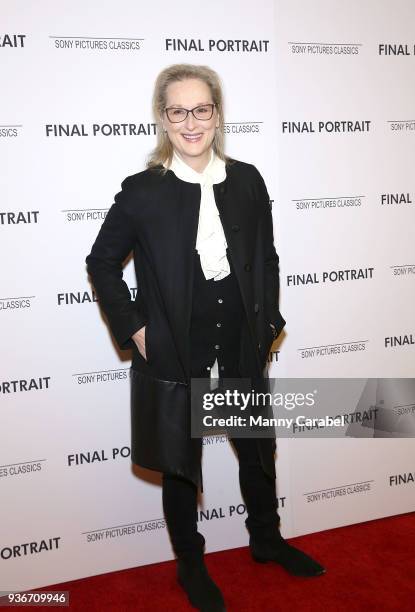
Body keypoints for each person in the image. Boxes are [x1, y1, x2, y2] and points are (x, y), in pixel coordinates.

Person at [85, 63, 325, 611]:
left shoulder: (247, 179)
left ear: (217, 114)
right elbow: (101, 263)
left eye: (201, 109)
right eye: (177, 111)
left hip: (240, 338)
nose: (191, 122)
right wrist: (135, 329)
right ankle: (191, 566)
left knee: (258, 452)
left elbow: (265, 257)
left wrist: (268, 325)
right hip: (174, 343)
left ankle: (266, 540)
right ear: (163, 118)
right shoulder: (143, 191)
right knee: (179, 461)